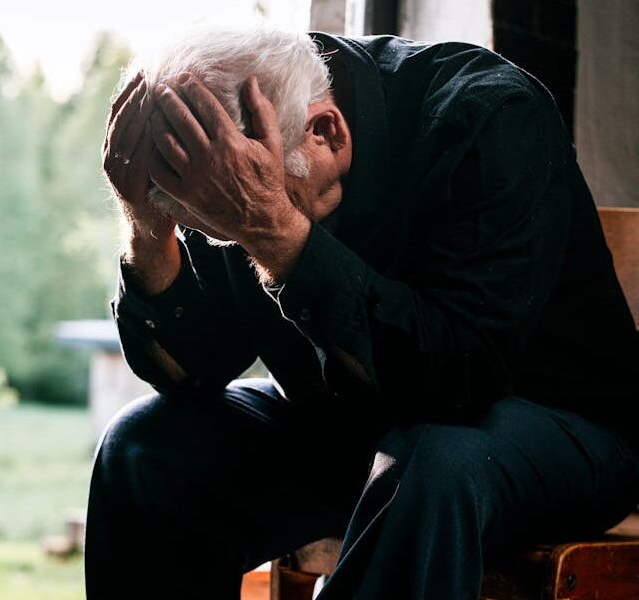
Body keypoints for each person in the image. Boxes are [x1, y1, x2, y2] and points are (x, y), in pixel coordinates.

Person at [85, 29, 639, 599]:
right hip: (354, 423)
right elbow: (196, 369)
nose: (227, 234)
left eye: (233, 219)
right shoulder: (223, 157)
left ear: (326, 131)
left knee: (432, 460)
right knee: (144, 447)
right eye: (213, 226)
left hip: (555, 430)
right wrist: (146, 229)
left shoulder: (490, 116)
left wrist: (272, 229)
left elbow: (460, 380)